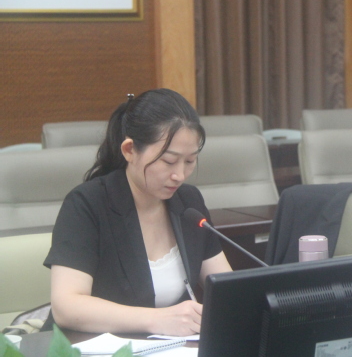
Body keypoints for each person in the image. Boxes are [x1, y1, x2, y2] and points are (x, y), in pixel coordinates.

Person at [44, 89, 232, 336]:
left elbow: (227, 290)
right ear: (130, 150)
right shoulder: (87, 204)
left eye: (189, 161)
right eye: (168, 161)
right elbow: (67, 307)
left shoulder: (189, 202)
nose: (179, 175)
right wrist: (157, 320)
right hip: (89, 345)